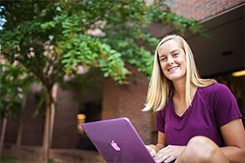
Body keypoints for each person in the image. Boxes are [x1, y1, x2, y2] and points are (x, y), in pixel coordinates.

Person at [143, 34, 245, 163]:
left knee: (198, 144)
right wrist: (153, 149)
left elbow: (241, 154)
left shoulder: (218, 93)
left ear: (187, 57)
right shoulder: (163, 104)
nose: (169, 61)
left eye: (175, 54)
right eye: (163, 59)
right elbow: (162, 145)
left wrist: (185, 150)